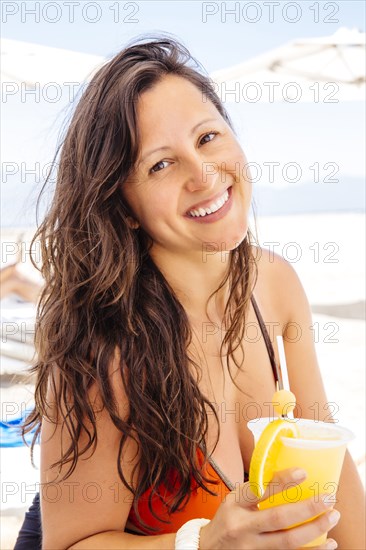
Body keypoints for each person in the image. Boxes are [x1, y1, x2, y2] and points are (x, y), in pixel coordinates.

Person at [16, 36, 365, 550]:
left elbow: (327, 460)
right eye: (161, 164)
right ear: (126, 207)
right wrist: (203, 544)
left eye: (207, 138)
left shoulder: (276, 285)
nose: (203, 175)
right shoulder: (106, 349)